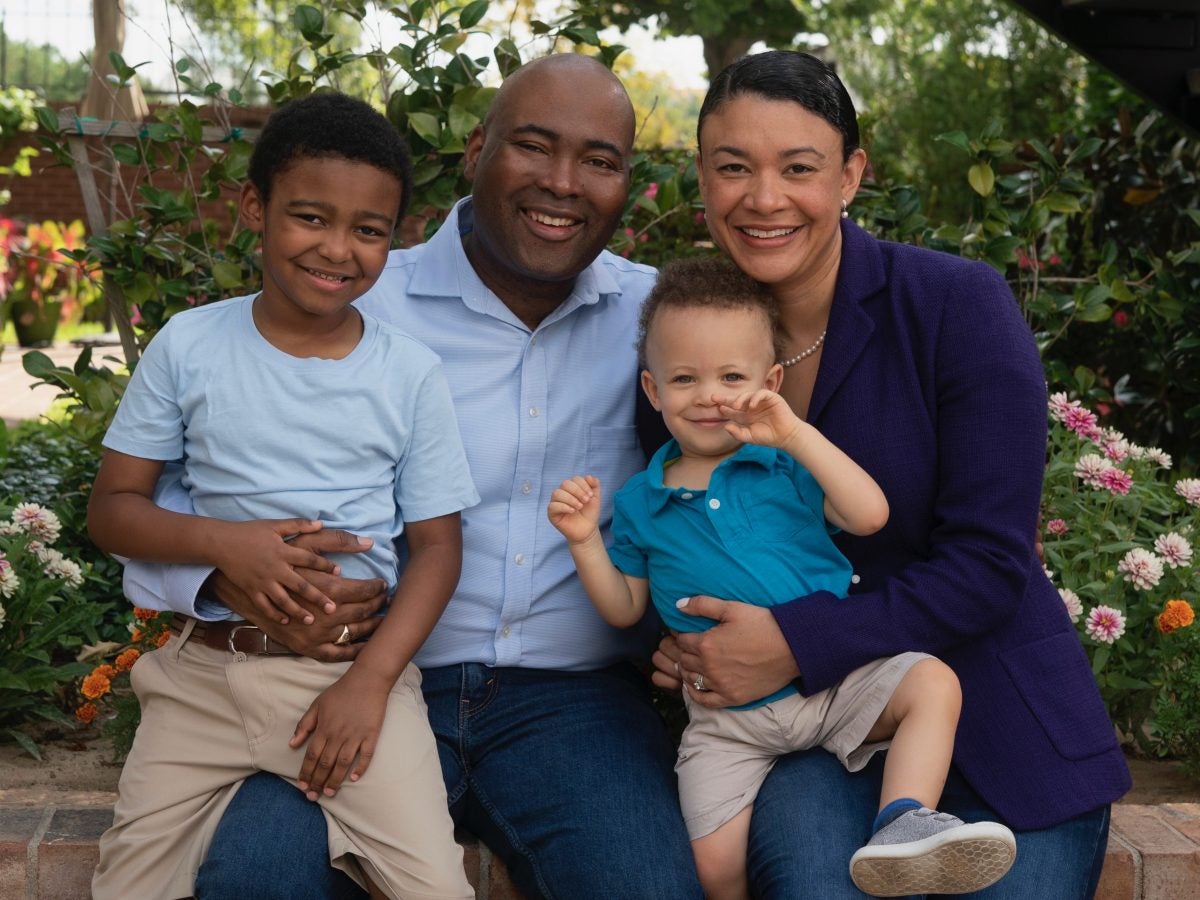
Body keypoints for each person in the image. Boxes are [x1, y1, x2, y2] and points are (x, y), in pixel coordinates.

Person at [118, 55, 704, 900]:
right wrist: (225, 574)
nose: (563, 183)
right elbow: (173, 492)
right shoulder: (353, 295)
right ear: (476, 150)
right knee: (258, 876)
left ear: (625, 180)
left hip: (572, 706)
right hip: (346, 676)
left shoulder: (657, 323)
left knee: (648, 888)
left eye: (600, 161)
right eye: (533, 146)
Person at [648, 51, 1131, 898]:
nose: (764, 199)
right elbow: (663, 525)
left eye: (799, 168)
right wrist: (681, 642)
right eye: (734, 168)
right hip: (809, 741)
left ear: (851, 175)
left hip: (999, 727)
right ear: (701, 177)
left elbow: (988, 565)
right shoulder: (684, 353)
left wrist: (793, 641)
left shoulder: (956, 306)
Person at [86, 93, 479, 900]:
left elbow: (439, 548)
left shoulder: (408, 373)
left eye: (368, 230)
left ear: (397, 236)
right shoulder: (189, 346)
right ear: (254, 207)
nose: (338, 249)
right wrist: (226, 544)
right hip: (202, 677)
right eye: (310, 217)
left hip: (347, 683)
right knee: (127, 886)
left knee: (435, 889)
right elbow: (113, 509)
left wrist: (370, 684)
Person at [548, 256, 1017, 898]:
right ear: (654, 391)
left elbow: (869, 514)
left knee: (932, 683)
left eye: (731, 377)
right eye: (684, 379)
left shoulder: (784, 466)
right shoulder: (638, 502)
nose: (709, 395)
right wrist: (583, 543)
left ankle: (903, 820)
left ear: (769, 381)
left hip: (833, 682)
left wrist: (796, 435)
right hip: (726, 720)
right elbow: (625, 608)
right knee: (711, 868)